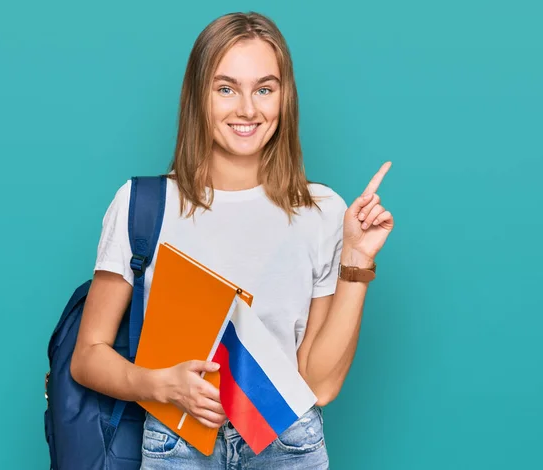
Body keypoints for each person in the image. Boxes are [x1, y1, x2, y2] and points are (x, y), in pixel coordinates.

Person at [70, 11, 394, 470]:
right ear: (198, 97)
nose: (247, 109)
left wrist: (357, 260)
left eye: (264, 88)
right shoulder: (144, 205)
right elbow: (87, 358)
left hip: (287, 444)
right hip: (176, 442)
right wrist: (161, 386)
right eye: (226, 88)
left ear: (285, 98)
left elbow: (318, 385)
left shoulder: (322, 211)